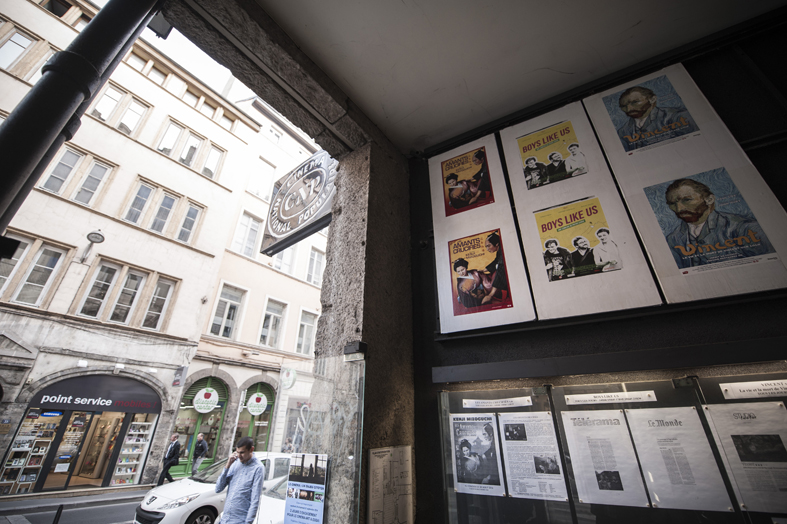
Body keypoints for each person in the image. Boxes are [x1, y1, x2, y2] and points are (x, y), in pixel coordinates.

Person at [663, 178, 773, 268]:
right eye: (672, 203)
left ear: (709, 199)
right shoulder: (673, 239)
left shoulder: (743, 227)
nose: (679, 208)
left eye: (687, 200)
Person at [616, 86, 698, 151]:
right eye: (623, 106)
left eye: (635, 102)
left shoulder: (677, 116)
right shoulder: (623, 132)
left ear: (652, 99)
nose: (628, 109)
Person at [215, 436, 265, 524]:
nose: (239, 456)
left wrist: (248, 522)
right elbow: (218, 488)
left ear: (251, 449)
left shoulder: (258, 468)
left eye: (242, 452)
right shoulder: (235, 463)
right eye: (237, 452)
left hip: (240, 520)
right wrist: (227, 465)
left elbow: (255, 499)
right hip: (225, 519)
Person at [482, 232, 508, 305]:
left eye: (489, 246)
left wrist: (491, 294)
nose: (487, 249)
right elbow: (496, 261)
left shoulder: (503, 252)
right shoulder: (499, 251)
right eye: (486, 247)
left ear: (496, 244)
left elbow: (501, 269)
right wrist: (486, 269)